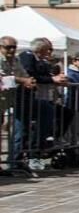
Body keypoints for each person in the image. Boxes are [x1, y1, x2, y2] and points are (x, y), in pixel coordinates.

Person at [1, 36, 37, 174]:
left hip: (5, 101)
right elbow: (2, 79)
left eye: (14, 47)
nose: (11, 50)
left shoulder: (15, 60)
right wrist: (21, 80)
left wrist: (29, 80)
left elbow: (24, 74)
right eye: (7, 47)